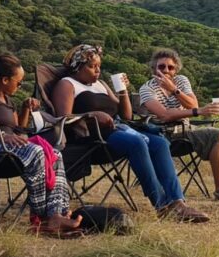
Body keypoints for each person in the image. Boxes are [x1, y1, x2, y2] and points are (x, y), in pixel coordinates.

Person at [51, 45, 208, 222]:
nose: (98, 70)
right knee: (137, 143)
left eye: (99, 66)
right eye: (92, 66)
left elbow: (125, 115)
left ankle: (178, 202)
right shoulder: (67, 84)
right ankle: (162, 206)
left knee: (160, 142)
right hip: (94, 137)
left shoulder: (100, 84)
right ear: (77, 66)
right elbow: (63, 118)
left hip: (119, 129)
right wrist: (91, 115)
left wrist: (123, 91)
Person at [0, 53, 81, 236]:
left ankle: (56, 214)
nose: (19, 86)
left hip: (10, 149)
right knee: (36, 152)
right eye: (18, 82)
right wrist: (3, 136)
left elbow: (18, 129)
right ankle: (42, 218)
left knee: (54, 154)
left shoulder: (7, 99)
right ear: (5, 80)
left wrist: (25, 109)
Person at [138, 48, 219, 202]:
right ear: (154, 69)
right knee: (218, 135)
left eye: (170, 67)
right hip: (166, 134)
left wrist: (174, 90)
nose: (166, 70)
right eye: (161, 67)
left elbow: (192, 104)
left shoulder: (181, 81)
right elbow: (164, 115)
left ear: (176, 70)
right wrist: (195, 111)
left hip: (187, 129)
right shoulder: (147, 89)